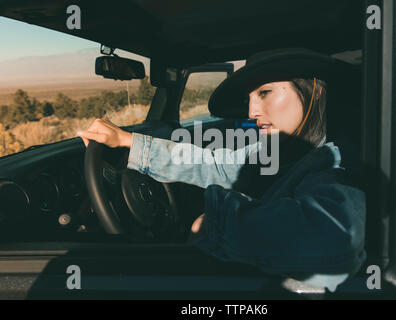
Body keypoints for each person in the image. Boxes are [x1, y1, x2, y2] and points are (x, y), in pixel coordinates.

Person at [77, 48, 366, 292]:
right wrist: (128, 142)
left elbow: (333, 240)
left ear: (313, 91)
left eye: (265, 92)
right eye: (250, 98)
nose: (252, 112)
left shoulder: (334, 163)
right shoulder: (282, 151)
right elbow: (217, 165)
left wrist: (215, 223)